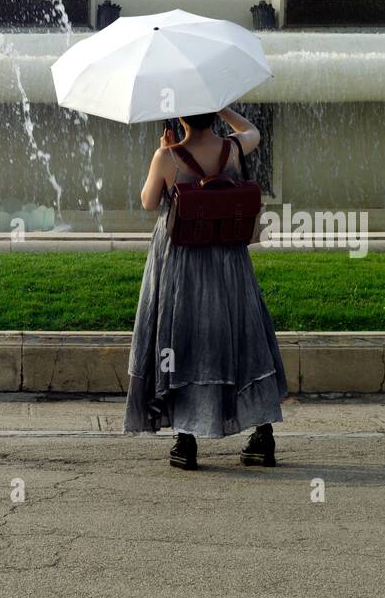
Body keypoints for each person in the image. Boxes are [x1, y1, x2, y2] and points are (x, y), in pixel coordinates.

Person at [123, 107, 287, 470]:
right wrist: (225, 107)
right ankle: (262, 434)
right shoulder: (232, 148)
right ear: (213, 115)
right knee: (241, 334)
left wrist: (166, 150)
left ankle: (186, 439)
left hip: (182, 262)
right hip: (228, 260)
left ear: (180, 119)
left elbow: (149, 201)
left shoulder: (167, 156)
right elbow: (252, 131)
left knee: (182, 338)